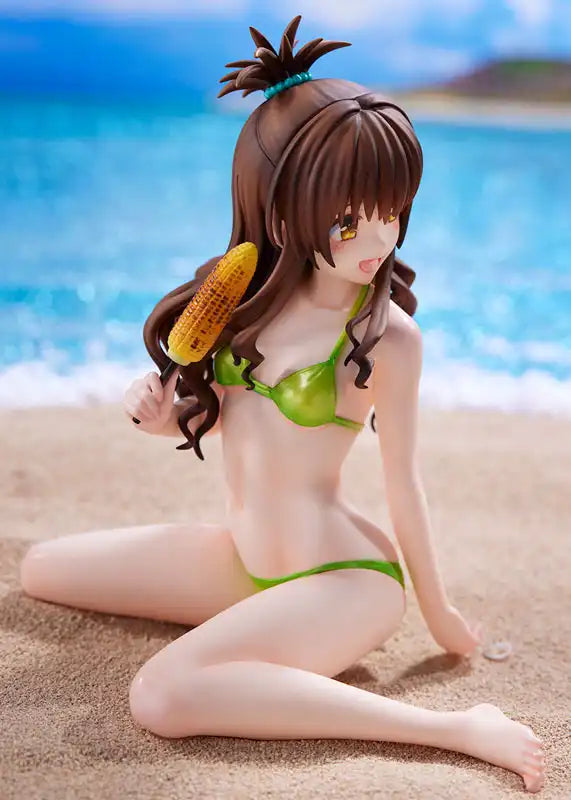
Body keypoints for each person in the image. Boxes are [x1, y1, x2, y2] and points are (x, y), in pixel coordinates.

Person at [19, 15, 545, 793]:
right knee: (42, 569)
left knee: (161, 695)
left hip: (344, 579)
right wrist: (161, 416)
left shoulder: (387, 338)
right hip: (244, 559)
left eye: (390, 212)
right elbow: (230, 419)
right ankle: (258, 642)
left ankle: (458, 729)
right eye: (348, 220)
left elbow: (403, 483)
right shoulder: (244, 305)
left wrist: (435, 612)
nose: (375, 240)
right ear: (279, 207)